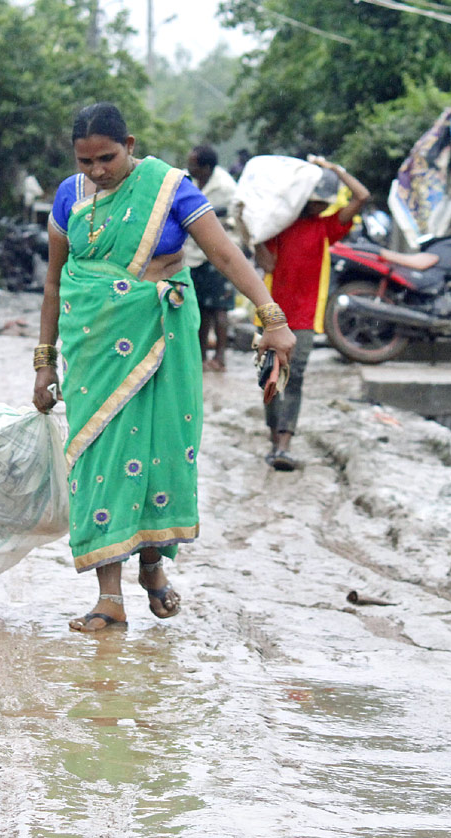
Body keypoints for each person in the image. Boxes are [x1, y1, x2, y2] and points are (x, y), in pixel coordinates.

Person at [33, 102, 295, 634]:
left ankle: (152, 566)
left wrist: (271, 317)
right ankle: (109, 598)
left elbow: (222, 254)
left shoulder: (170, 188)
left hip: (162, 336)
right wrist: (43, 361)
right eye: (86, 162)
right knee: (96, 451)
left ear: (130, 144)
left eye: (107, 157)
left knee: (158, 453)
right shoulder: (68, 197)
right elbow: (56, 282)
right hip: (92, 345)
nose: (97, 171)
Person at [254, 156, 370, 471]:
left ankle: (284, 443)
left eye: (324, 203)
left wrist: (334, 169)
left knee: (295, 378)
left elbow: (362, 197)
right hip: (271, 315)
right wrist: (247, 230)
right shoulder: (278, 224)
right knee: (270, 377)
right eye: (317, 201)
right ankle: (274, 437)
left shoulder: (326, 227)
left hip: (305, 317)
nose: (321, 207)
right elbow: (267, 265)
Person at [184, 145, 239, 371]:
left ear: (206, 167)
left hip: (219, 252)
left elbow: (237, 215)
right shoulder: (189, 181)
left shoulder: (226, 187)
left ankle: (221, 358)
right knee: (201, 309)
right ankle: (201, 357)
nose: (189, 168)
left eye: (194, 164)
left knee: (220, 309)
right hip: (195, 254)